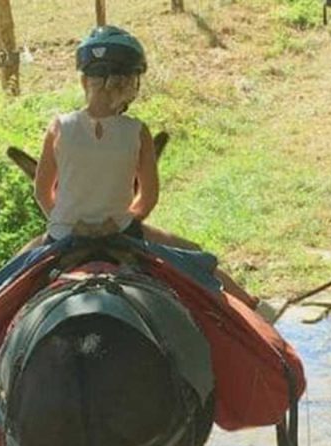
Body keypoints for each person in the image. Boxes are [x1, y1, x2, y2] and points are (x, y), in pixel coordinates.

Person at [29, 26, 273, 318]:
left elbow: (42, 192)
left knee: (1, 286)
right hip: (120, 229)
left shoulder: (58, 127)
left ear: (84, 81)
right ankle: (253, 308)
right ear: (132, 82)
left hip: (64, 233)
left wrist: (66, 223)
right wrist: (120, 220)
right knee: (197, 257)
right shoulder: (137, 132)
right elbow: (148, 198)